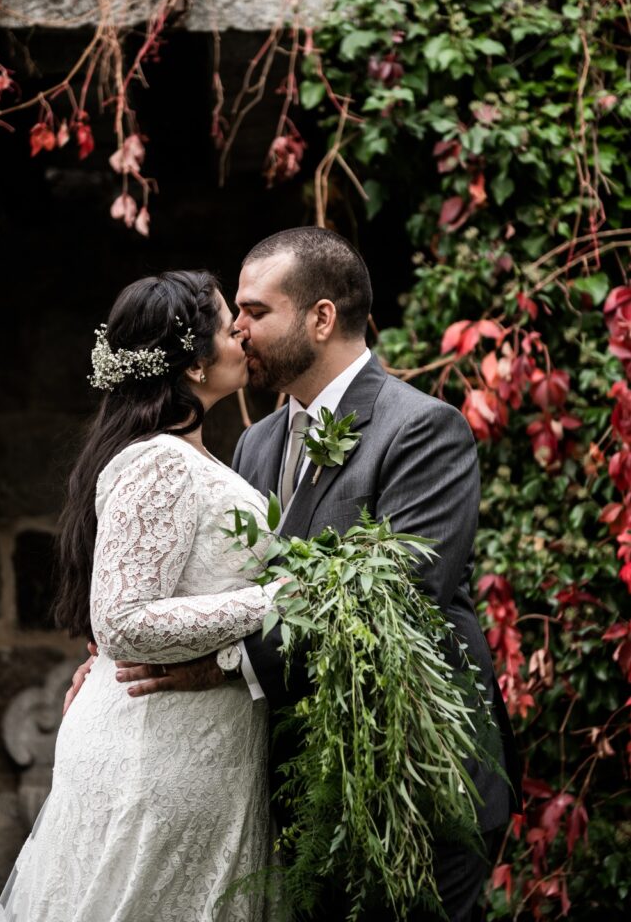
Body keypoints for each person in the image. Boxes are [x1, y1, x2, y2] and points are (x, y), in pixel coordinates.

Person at [72, 229, 522, 920]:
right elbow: (212, 579)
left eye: (254, 311)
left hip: (415, 780)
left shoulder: (420, 430)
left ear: (319, 318)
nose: (238, 330)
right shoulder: (257, 441)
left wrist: (222, 666)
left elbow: (394, 603)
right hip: (306, 788)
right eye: (237, 315)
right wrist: (113, 651)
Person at [0, 270, 288, 922]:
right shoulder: (159, 460)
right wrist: (277, 602)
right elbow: (123, 621)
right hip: (157, 758)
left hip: (193, 747)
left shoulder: (192, 456)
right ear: (191, 361)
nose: (239, 331)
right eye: (223, 321)